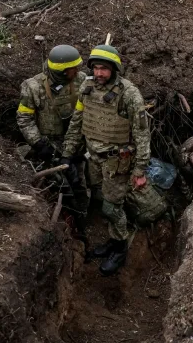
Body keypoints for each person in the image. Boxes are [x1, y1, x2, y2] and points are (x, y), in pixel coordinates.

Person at [61, 44, 151, 275]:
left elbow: (142, 134)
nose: (99, 73)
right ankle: (113, 240)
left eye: (104, 69)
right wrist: (68, 153)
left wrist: (140, 170)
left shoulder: (129, 94)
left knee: (112, 207)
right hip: (93, 158)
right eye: (96, 68)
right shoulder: (87, 86)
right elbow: (77, 121)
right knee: (102, 200)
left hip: (116, 162)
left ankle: (120, 247)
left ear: (114, 69)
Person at [16, 45, 89, 233]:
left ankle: (83, 216)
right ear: (62, 72)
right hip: (49, 145)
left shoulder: (81, 81)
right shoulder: (33, 87)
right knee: (60, 185)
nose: (78, 71)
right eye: (73, 68)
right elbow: (24, 118)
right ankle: (66, 220)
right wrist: (38, 142)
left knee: (79, 181)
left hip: (75, 142)